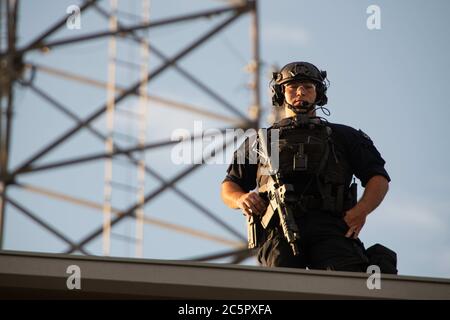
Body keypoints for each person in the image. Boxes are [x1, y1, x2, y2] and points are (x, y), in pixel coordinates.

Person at [221, 61, 396, 273]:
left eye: (308, 87)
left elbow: (378, 178)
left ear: (318, 93)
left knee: (345, 286)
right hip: (278, 228)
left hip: (332, 226)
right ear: (280, 93)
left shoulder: (345, 136)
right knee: (281, 287)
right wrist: (241, 199)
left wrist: (361, 211)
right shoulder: (261, 141)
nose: (300, 92)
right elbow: (230, 186)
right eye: (292, 87)